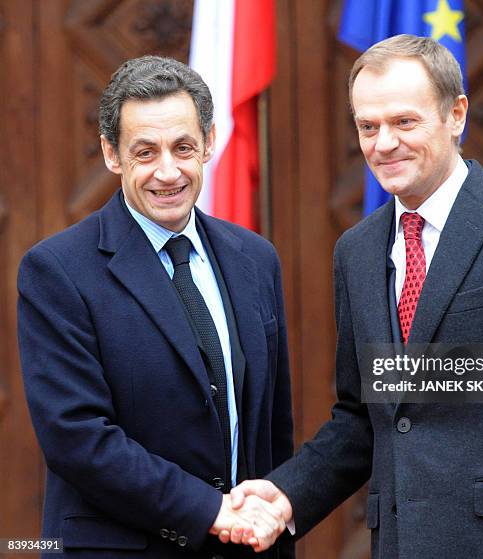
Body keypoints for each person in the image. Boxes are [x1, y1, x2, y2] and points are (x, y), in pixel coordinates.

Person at [226, 34, 483, 557]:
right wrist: (287, 495)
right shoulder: (357, 252)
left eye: (404, 122)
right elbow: (367, 415)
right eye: (368, 126)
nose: (383, 144)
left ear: (456, 114)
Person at [17, 55, 293, 558]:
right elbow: (76, 437)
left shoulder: (255, 259)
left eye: (183, 147)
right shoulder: (57, 270)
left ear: (209, 142)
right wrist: (209, 509)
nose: (168, 172)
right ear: (111, 153)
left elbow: (271, 429)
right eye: (145, 152)